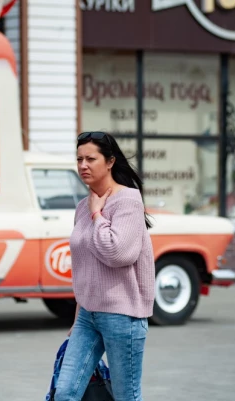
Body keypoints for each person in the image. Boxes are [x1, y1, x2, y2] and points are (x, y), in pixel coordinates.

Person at [53, 131, 155, 401]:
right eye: (79, 159)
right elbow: (84, 266)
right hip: (88, 315)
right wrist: (78, 316)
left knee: (126, 396)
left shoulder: (128, 201)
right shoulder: (81, 207)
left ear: (109, 162)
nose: (83, 165)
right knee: (65, 393)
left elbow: (118, 253)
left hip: (123, 316)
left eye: (90, 158)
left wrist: (98, 214)